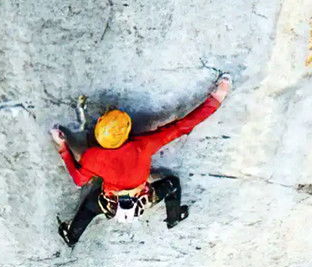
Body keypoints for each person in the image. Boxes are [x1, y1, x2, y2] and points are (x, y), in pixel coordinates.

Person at [51, 74, 232, 247]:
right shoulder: (144, 145)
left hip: (110, 204)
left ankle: (71, 236)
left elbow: (79, 180)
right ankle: (174, 218)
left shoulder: (92, 157)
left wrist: (63, 147)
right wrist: (216, 98)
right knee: (172, 184)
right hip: (141, 200)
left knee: (90, 205)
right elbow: (181, 127)